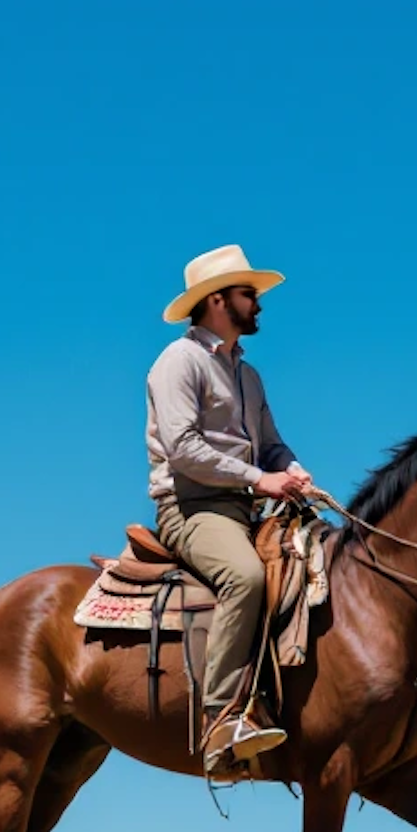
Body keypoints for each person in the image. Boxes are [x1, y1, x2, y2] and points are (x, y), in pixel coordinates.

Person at [146, 243, 314, 773]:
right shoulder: (179, 362)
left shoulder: (249, 375)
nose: (258, 303)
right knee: (245, 576)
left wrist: (291, 468)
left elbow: (270, 443)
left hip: (244, 508)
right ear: (217, 301)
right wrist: (260, 479)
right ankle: (220, 719)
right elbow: (184, 449)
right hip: (191, 508)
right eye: (249, 294)